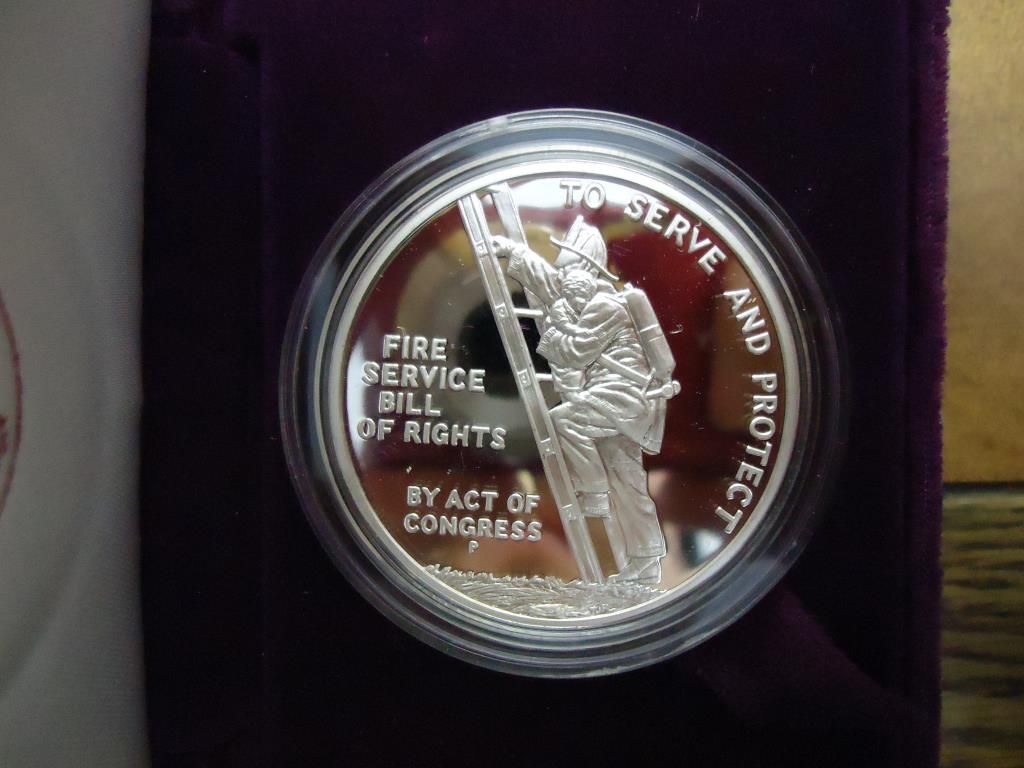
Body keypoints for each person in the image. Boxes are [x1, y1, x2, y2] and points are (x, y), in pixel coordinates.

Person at [493, 216, 668, 585]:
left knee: (564, 420)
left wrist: (555, 328)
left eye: (568, 271)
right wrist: (514, 251)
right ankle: (646, 561)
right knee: (628, 480)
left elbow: (574, 352)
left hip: (621, 396)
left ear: (588, 271)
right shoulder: (580, 296)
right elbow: (548, 282)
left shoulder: (605, 306)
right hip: (616, 402)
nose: (562, 279)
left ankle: (593, 492)